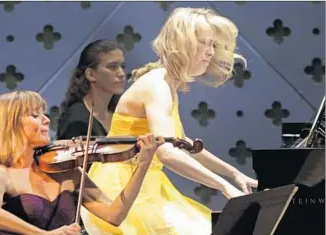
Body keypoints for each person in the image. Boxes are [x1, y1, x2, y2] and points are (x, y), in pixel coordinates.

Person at [82, 7, 258, 235]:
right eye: (203, 43)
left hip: (146, 185)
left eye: (212, 45)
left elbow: (181, 142)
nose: (210, 53)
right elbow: (166, 152)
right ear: (181, 44)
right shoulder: (156, 86)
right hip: (120, 190)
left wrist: (232, 173)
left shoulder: (166, 84)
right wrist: (223, 185)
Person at [0, 91, 164, 235]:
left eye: (43, 113)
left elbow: (114, 215)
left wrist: (143, 165)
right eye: (35, 115)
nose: (46, 119)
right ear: (11, 125)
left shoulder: (67, 171)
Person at [56, 39, 126, 141]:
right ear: (91, 74)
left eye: (122, 66)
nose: (121, 74)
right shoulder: (76, 122)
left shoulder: (121, 110)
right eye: (112, 67)